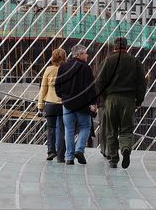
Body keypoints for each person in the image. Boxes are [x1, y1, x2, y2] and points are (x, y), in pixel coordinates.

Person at [96, 37, 147, 169]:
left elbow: (100, 81)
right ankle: (125, 148)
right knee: (126, 129)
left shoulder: (108, 60)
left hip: (111, 99)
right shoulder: (134, 61)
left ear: (115, 47)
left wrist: (104, 96)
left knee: (111, 130)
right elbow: (142, 83)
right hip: (129, 100)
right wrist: (139, 101)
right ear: (126, 47)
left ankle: (113, 159)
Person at [55, 44, 97, 165]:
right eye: (85, 53)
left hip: (67, 103)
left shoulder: (63, 67)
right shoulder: (86, 68)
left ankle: (69, 157)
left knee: (69, 130)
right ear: (79, 54)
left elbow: (58, 84)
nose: (87, 55)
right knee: (85, 127)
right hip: (82, 105)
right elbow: (91, 88)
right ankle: (79, 149)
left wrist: (62, 96)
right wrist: (93, 103)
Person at [37, 48, 67, 163]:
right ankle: (61, 155)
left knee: (51, 129)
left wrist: (40, 105)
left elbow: (43, 88)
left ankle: (51, 151)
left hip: (50, 103)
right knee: (62, 130)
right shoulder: (67, 69)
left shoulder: (49, 69)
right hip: (63, 104)